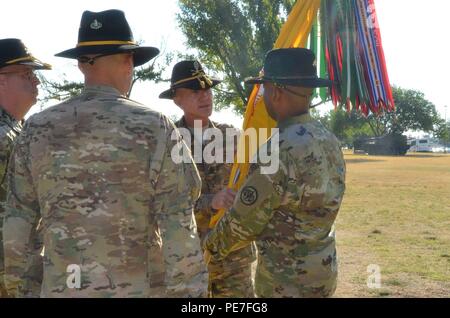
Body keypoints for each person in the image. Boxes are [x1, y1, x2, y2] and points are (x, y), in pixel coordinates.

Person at [3, 9, 207, 298]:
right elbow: (178, 226)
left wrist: (23, 290)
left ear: (81, 66)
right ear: (128, 62)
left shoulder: (36, 128)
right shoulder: (156, 127)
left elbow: (17, 226)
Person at [204, 48, 346, 298]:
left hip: (286, 282)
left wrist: (208, 250)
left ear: (277, 92)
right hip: (323, 273)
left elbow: (243, 222)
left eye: (264, 90)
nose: (262, 97)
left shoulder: (277, 149)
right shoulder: (329, 139)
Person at [159, 60, 255, 298]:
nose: (205, 97)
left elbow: (253, 186)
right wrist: (210, 202)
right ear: (176, 99)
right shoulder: (168, 142)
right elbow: (166, 203)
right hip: (189, 256)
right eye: (194, 91)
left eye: (207, 89)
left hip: (232, 255)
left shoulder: (232, 137)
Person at [0, 38, 51, 297]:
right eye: (27, 74)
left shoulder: (16, 131)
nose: (36, 81)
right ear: (1, 80)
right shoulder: (3, 136)